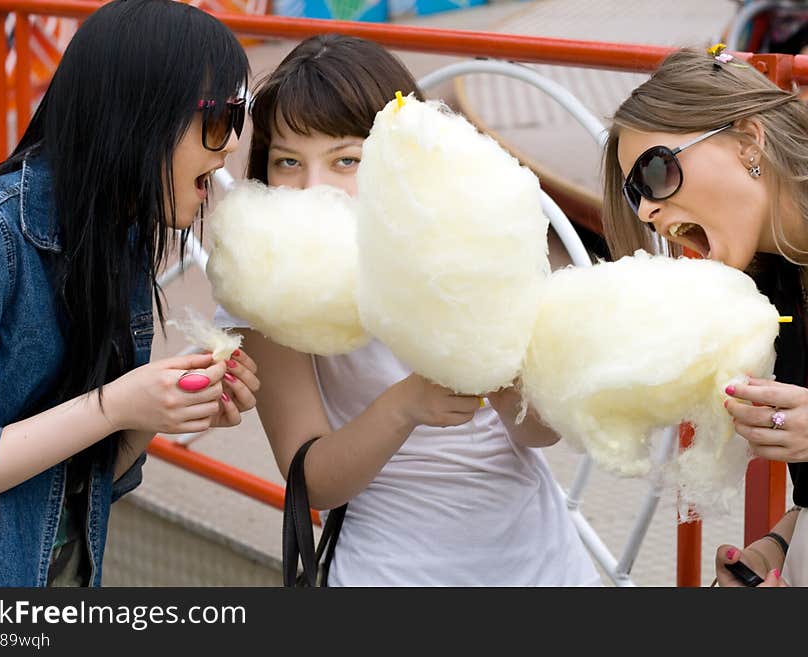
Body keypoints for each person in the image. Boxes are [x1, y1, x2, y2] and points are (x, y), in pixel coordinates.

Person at [215, 34, 601, 586]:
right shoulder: (266, 288)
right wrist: (404, 406)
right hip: (391, 570)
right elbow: (311, 480)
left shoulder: (472, 244)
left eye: (347, 159)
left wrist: (500, 376)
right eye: (287, 162)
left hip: (540, 562)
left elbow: (542, 435)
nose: (314, 188)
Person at [0, 0, 259, 586]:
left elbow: (88, 479)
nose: (230, 144)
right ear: (138, 115)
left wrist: (160, 408)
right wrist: (115, 404)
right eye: (218, 119)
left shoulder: (118, 238)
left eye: (239, 117)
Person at [601, 45, 808, 587]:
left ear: (748, 140)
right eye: (633, 193)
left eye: (655, 171)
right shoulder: (769, 289)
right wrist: (776, 546)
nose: (646, 210)